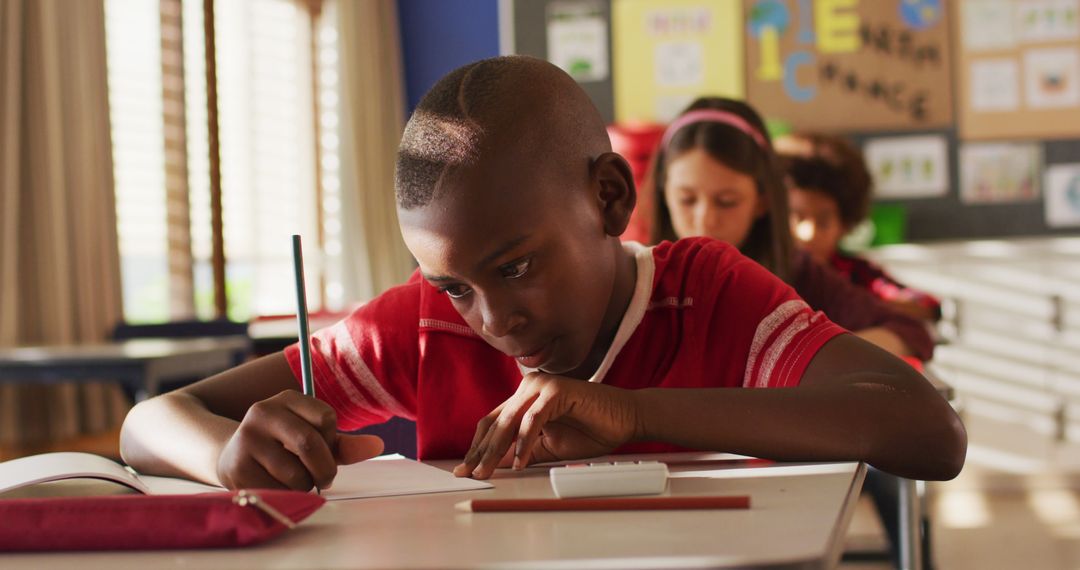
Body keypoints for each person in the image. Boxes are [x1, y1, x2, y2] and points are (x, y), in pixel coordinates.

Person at [120, 57, 964, 493]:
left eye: (517, 266)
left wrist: (631, 414)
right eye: (456, 284)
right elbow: (152, 422)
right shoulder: (423, 325)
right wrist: (228, 455)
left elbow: (929, 433)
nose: (492, 319)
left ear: (608, 199)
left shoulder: (706, 294)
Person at [649, 97, 934, 361]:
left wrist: (811, 360)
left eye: (727, 202)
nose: (705, 220)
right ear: (663, 194)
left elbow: (910, 331)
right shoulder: (637, 277)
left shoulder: (797, 271)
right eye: (686, 199)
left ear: (762, 201)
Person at [778, 133, 943, 322]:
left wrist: (856, 304)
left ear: (845, 224)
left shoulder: (856, 274)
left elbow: (925, 306)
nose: (808, 234)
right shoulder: (765, 271)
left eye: (823, 222)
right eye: (796, 217)